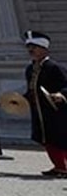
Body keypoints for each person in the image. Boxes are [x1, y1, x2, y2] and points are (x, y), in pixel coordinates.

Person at [23, 30, 67, 177]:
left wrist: (61, 94)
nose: (31, 50)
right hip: (39, 110)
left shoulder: (54, 67)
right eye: (29, 47)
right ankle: (59, 167)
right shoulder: (30, 69)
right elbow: (31, 88)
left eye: (34, 47)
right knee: (46, 139)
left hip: (55, 110)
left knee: (60, 138)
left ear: (44, 48)